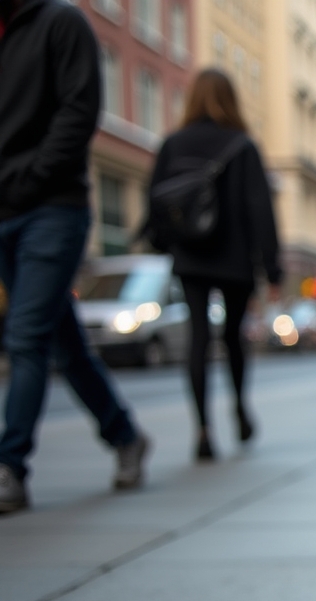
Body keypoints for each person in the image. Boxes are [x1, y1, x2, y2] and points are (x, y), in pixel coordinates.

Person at [0, 0, 150, 514]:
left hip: (52, 209)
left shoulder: (60, 21)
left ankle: (9, 467)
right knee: (62, 343)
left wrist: (31, 176)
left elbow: (78, 110)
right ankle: (125, 435)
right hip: (5, 213)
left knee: (24, 338)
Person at [144, 68, 281, 460]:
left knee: (198, 339)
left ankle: (202, 428)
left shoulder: (173, 143)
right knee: (233, 337)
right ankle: (239, 406)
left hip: (190, 257)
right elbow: (261, 210)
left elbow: (155, 199)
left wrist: (162, 243)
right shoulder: (243, 146)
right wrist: (270, 269)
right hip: (234, 258)